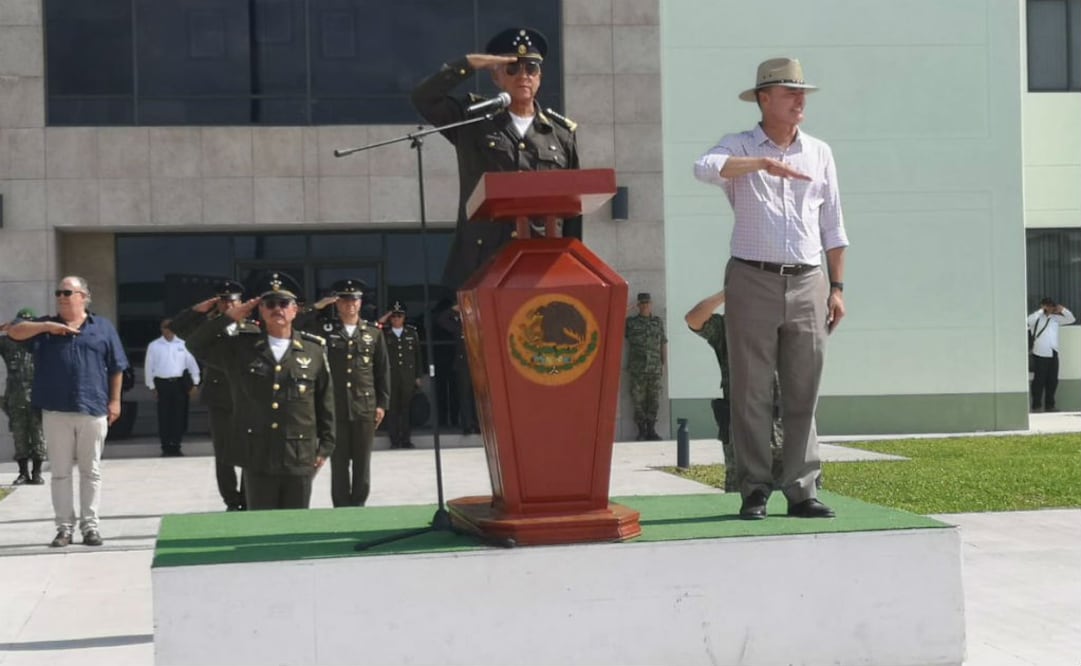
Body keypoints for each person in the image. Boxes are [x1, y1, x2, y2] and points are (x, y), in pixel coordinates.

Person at [693, 57, 849, 520]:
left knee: (804, 388)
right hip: (751, 278)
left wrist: (837, 287)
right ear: (763, 98)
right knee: (751, 390)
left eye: (802, 93)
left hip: (808, 281)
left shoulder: (819, 152)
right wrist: (762, 163)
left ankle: (803, 489)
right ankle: (755, 488)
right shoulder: (738, 146)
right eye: (789, 93)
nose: (800, 101)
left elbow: (834, 227)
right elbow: (704, 168)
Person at [411, 26, 581, 288]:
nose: (523, 75)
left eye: (531, 68)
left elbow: (572, 212)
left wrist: (572, 272)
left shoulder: (561, 134)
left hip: (542, 266)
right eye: (512, 68)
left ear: (540, 76)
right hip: (485, 264)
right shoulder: (474, 118)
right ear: (496, 77)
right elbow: (424, 98)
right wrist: (468, 64)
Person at [185, 272, 334, 511]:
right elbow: (195, 344)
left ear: (295, 310)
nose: (278, 309)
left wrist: (325, 447)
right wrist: (229, 317)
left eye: (284, 303)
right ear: (260, 310)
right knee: (259, 526)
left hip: (299, 454)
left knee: (296, 526)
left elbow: (325, 401)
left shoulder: (313, 350)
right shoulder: (241, 349)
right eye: (270, 304)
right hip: (257, 454)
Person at [7, 276, 129, 547]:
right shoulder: (43, 327)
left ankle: (90, 527)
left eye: (68, 292)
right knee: (60, 472)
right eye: (58, 292)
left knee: (91, 472)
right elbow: (14, 331)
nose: (62, 297)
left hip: (93, 408)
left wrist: (115, 401)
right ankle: (64, 528)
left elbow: (117, 366)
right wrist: (48, 326)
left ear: (84, 296)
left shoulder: (103, 327)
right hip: (56, 410)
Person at [295, 279, 390, 506]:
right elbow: (296, 324)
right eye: (345, 300)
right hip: (335, 407)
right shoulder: (326, 330)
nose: (350, 305)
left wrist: (382, 404)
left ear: (360, 302)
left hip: (364, 406)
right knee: (338, 463)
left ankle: (358, 505)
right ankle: (341, 507)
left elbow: (382, 370)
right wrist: (318, 306)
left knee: (362, 462)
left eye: (354, 300)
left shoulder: (373, 333)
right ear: (337, 304)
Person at [684, 290, 784, 492]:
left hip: (784, 428)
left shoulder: (784, 326)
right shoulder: (727, 329)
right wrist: (727, 293)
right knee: (741, 496)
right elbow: (693, 319)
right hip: (741, 429)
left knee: (790, 498)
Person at [171, 280, 248, 510]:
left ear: (241, 302)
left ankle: (248, 496)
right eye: (223, 301)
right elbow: (177, 326)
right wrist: (198, 309)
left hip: (248, 396)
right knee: (223, 452)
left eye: (232, 301)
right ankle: (232, 500)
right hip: (220, 397)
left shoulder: (253, 325)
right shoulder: (207, 327)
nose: (228, 305)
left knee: (250, 449)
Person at [0, 308, 46, 485]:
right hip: (15, 397)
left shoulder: (41, 342)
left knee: (39, 436)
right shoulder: (7, 343)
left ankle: (37, 472)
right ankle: (22, 473)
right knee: (19, 435)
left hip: (38, 397)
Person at [143, 318, 200, 457]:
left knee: (179, 415)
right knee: (164, 415)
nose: (167, 330)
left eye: (169, 328)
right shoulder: (154, 345)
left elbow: (192, 364)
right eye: (164, 328)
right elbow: (148, 366)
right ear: (161, 329)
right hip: (162, 384)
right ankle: (166, 445)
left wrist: (195, 382)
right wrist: (151, 386)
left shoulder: (183, 344)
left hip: (179, 383)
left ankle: (176, 444)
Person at [379, 302, 423, 449]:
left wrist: (418, 376)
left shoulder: (411, 333)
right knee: (392, 409)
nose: (396, 319)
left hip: (407, 377)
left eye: (399, 316)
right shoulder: (385, 333)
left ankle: (405, 439)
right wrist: (385, 316)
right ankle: (394, 440)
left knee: (406, 409)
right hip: (391, 377)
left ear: (404, 317)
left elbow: (418, 356)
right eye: (394, 316)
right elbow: (375, 327)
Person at [624, 292, 667, 441]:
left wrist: (663, 364)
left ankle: (651, 430)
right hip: (637, 368)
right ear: (638, 305)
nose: (645, 306)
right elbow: (614, 324)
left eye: (647, 303)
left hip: (655, 367)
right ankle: (641, 431)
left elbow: (663, 343)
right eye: (642, 304)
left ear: (651, 304)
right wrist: (627, 309)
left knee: (654, 399)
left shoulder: (657, 322)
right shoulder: (631, 322)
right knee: (638, 400)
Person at [436, 303, 479, 435]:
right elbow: (441, 320)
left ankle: (478, 424)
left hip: (477, 364)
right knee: (464, 395)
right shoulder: (458, 326)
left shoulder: (478, 326)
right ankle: (467, 425)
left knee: (477, 396)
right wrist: (454, 308)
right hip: (463, 364)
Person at [1027, 297, 1075, 413]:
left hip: (1053, 352)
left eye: (1052, 306)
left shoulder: (1055, 318)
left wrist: (1063, 310)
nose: (1051, 308)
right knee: (1039, 380)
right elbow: (1028, 321)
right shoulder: (1037, 318)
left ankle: (1050, 405)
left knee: (1052, 380)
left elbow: (1071, 319)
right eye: (1048, 306)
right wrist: (1040, 311)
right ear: (1044, 306)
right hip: (1040, 353)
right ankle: (1036, 406)